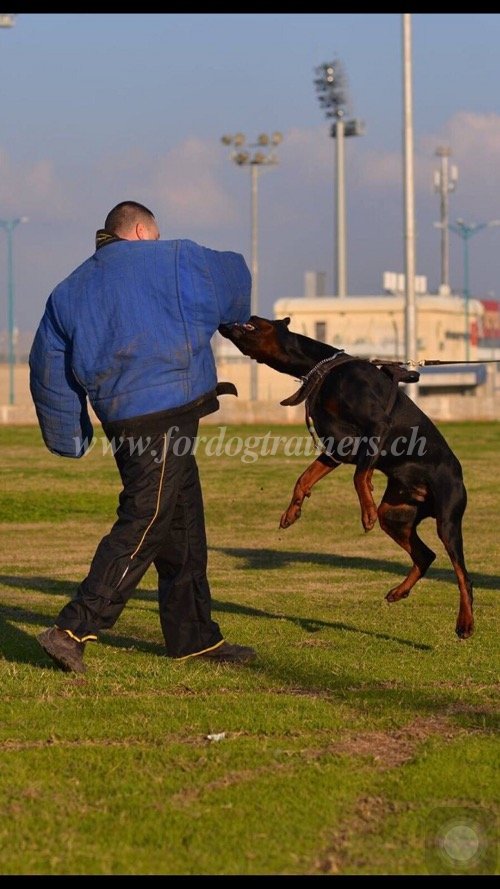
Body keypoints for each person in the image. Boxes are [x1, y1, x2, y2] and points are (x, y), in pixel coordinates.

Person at [30, 200, 255, 673]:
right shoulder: (172, 257)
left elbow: (47, 368)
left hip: (123, 418)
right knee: (147, 517)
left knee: (183, 523)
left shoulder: (67, 290)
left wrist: (69, 436)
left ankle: (194, 637)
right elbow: (233, 275)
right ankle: (72, 628)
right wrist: (234, 317)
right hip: (166, 411)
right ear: (138, 230)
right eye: (154, 236)